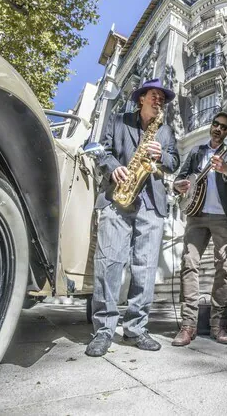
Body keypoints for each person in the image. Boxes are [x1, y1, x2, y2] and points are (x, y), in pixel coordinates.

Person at [86, 78, 180, 357]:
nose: (159, 100)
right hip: (118, 199)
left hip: (151, 204)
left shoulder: (165, 131)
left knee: (146, 268)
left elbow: (174, 161)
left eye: (162, 97)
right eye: (154, 95)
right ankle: (103, 331)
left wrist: (162, 154)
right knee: (108, 264)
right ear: (141, 98)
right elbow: (101, 150)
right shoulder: (118, 121)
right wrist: (113, 167)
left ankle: (136, 329)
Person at [172, 112, 227, 346]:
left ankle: (219, 325)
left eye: (224, 127)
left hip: (224, 216)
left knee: (224, 268)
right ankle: (188, 325)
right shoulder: (196, 152)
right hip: (196, 215)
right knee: (188, 264)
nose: (218, 129)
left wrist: (225, 169)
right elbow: (180, 179)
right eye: (215, 124)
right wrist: (179, 185)